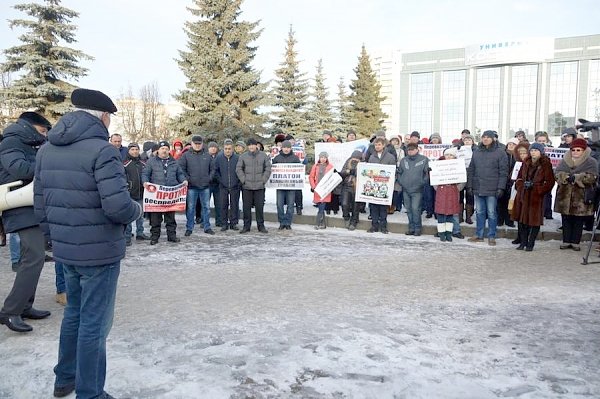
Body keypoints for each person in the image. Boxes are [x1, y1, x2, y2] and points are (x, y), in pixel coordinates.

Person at [34, 88, 143, 398]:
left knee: (74, 315)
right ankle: (90, 392)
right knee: (94, 324)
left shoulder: (46, 149)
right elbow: (118, 207)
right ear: (104, 117)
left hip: (67, 249)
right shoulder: (103, 150)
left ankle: (65, 379)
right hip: (98, 252)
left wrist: (54, 239)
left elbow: (39, 203)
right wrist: (138, 208)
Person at [0, 112, 52, 333]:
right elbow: (19, 169)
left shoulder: (29, 143)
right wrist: (46, 165)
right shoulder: (12, 141)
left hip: (30, 205)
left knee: (32, 258)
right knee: (34, 257)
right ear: (29, 127)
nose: (45, 136)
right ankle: (10, 312)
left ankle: (24, 306)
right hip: (19, 205)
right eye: (42, 131)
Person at [554, 138, 599, 251]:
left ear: (584, 150)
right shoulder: (565, 159)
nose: (575, 152)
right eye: (573, 150)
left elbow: (593, 177)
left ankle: (575, 242)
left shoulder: (591, 161)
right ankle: (566, 241)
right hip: (565, 194)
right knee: (566, 218)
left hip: (581, 195)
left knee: (578, 219)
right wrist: (564, 177)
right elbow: (557, 173)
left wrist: (579, 177)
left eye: (578, 150)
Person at [467, 130, 509, 246]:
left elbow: (503, 172)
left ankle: (491, 235)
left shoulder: (500, 152)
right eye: (483, 137)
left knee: (491, 213)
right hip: (478, 187)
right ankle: (479, 234)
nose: (485, 139)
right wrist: (469, 185)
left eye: (488, 137)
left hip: (492, 188)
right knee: (479, 212)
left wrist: (501, 187)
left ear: (493, 139)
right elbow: (471, 170)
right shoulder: (476, 152)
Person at [511, 143, 555, 251]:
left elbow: (550, 182)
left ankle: (530, 243)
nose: (533, 152)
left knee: (534, 221)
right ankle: (523, 242)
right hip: (523, 195)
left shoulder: (545, 164)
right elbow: (519, 178)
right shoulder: (526, 162)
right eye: (531, 150)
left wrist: (537, 189)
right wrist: (521, 185)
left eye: (536, 150)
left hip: (536, 198)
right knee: (522, 221)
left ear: (541, 152)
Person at [143, 140, 188, 244]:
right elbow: (145, 173)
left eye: (166, 149)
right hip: (156, 196)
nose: (164, 151)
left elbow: (180, 174)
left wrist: (183, 180)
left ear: (169, 150)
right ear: (158, 150)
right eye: (162, 149)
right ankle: (154, 237)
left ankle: (171, 236)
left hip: (170, 196)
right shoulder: (151, 161)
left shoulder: (174, 162)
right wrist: (145, 181)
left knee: (170, 218)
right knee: (155, 219)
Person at [178, 135, 215, 236]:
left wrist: (209, 178)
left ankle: (207, 226)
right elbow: (181, 169)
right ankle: (189, 228)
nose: (198, 145)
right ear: (192, 143)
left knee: (206, 207)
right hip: (191, 187)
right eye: (196, 144)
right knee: (190, 208)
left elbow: (213, 169)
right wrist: (188, 179)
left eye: (199, 144)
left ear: (202, 144)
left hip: (205, 186)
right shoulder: (186, 156)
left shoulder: (207, 155)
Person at [236, 138, 271, 233]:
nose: (251, 146)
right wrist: (244, 180)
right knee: (246, 208)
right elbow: (239, 169)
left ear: (256, 145)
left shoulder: (263, 156)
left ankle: (261, 226)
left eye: (253, 144)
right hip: (247, 187)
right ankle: (246, 226)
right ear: (247, 146)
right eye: (249, 145)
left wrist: (263, 180)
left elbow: (268, 169)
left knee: (259, 208)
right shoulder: (243, 156)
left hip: (259, 187)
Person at [397, 142, 429, 236]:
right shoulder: (404, 160)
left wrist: (422, 182)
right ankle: (411, 228)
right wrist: (401, 182)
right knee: (409, 209)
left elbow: (427, 173)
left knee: (416, 209)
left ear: (417, 149)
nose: (410, 151)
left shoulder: (424, 159)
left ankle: (418, 228)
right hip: (406, 189)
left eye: (412, 149)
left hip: (417, 189)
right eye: (409, 150)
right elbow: (399, 172)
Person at [433, 147, 464, 242]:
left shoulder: (458, 166)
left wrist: (458, 188)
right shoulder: (438, 165)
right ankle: (442, 233)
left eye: (451, 155)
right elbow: (434, 178)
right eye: (447, 155)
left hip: (453, 192)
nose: (449, 157)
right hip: (442, 192)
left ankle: (449, 233)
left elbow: (462, 179)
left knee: (451, 213)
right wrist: (437, 187)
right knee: (441, 213)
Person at [367, 137, 396, 234]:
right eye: (375, 145)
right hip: (374, 186)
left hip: (385, 186)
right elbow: (369, 171)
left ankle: (383, 226)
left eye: (379, 145)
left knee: (383, 207)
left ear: (383, 145)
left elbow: (393, 171)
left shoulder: (390, 157)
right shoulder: (372, 157)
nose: (377, 146)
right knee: (373, 206)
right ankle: (374, 225)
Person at [124, 143, 150, 245]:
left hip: (141, 193)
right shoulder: (125, 163)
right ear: (129, 151)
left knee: (140, 215)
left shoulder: (143, 163)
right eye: (132, 150)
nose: (135, 151)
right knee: (129, 216)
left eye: (136, 149)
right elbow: (122, 177)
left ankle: (140, 233)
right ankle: (127, 236)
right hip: (129, 193)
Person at [272, 140, 301, 230]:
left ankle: (288, 222)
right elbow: (273, 170)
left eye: (288, 147)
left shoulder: (295, 158)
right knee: (279, 204)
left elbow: (299, 171)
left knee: (290, 204)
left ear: (290, 148)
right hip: (280, 185)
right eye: (285, 147)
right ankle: (282, 222)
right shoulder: (277, 158)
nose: (286, 149)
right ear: (282, 148)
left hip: (291, 186)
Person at [214, 139, 240, 231]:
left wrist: (237, 181)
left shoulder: (237, 158)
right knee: (223, 205)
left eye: (229, 149)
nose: (228, 150)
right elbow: (215, 170)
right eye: (226, 149)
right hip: (223, 186)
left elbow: (240, 170)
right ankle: (224, 223)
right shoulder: (219, 157)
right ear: (223, 149)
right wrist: (220, 180)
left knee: (234, 205)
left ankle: (234, 223)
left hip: (235, 186)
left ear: (232, 149)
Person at [339, 150, 363, 230]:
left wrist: (355, 172)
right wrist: (347, 172)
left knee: (355, 206)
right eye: (353, 157)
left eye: (357, 158)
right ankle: (346, 217)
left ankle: (354, 221)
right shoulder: (347, 162)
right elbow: (342, 173)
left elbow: (365, 175)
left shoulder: (363, 164)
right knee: (344, 203)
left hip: (357, 186)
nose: (355, 159)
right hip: (347, 185)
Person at [309, 151, 334, 229]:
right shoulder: (315, 166)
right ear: (319, 158)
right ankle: (323, 224)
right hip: (317, 189)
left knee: (322, 206)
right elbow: (311, 177)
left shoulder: (330, 166)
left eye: (324, 157)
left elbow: (332, 178)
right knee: (320, 205)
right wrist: (313, 186)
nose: (323, 159)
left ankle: (318, 223)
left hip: (325, 190)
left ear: (327, 158)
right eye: (321, 157)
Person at [207, 141, 222, 227]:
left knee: (219, 204)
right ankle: (204, 221)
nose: (213, 148)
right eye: (211, 147)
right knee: (205, 204)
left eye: (214, 147)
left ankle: (219, 221)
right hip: (207, 184)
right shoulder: (204, 157)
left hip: (218, 184)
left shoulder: (220, 157)